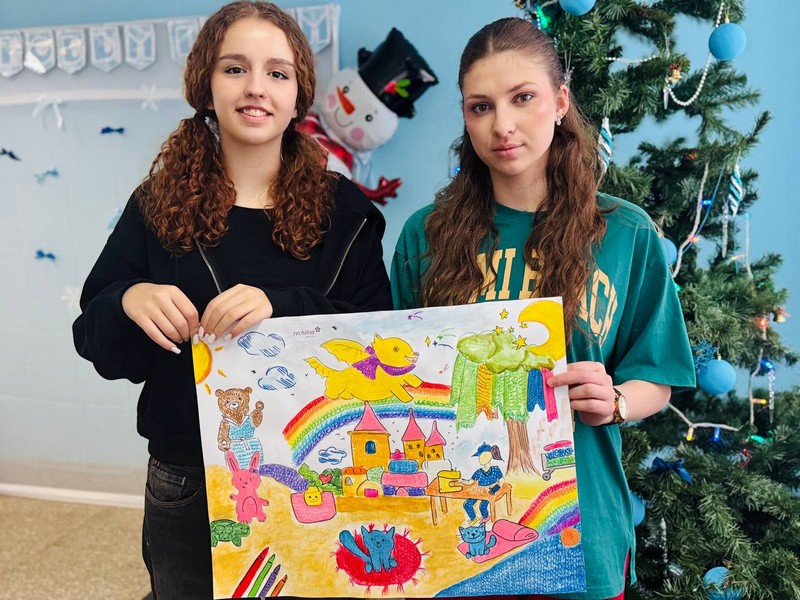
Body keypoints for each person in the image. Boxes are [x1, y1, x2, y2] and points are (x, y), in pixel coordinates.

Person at [72, 2, 392, 597]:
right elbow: (97, 341)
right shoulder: (156, 206)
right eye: (235, 68)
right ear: (206, 85)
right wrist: (128, 300)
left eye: (277, 73)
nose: (255, 87)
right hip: (188, 478)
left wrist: (283, 308)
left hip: (319, 473)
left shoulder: (347, 213)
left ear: (298, 96)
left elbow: (379, 343)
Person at [391, 17, 695, 600]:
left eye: (522, 98)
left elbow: (657, 377)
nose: (502, 125)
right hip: (454, 545)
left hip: (584, 537)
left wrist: (616, 401)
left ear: (559, 102)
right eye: (481, 107)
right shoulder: (423, 236)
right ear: (465, 118)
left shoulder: (625, 233)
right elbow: (403, 379)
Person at [461, 443, 506, 525]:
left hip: (489, 493)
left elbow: (502, 480)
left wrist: (496, 487)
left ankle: (486, 517)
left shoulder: (495, 469)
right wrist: (461, 480)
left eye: (482, 456)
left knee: (482, 506)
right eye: (479, 456)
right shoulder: (479, 472)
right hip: (479, 492)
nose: (480, 458)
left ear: (489, 456)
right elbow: (470, 481)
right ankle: (473, 518)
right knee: (467, 504)